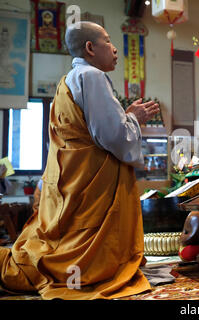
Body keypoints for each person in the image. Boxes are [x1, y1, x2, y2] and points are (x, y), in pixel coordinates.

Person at [0, 21, 159, 299]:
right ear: (89, 47)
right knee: (81, 254)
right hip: (90, 183)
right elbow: (111, 136)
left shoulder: (68, 80)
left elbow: (89, 133)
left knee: (61, 241)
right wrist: (134, 118)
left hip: (74, 179)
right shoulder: (92, 76)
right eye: (108, 42)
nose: (114, 49)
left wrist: (125, 114)